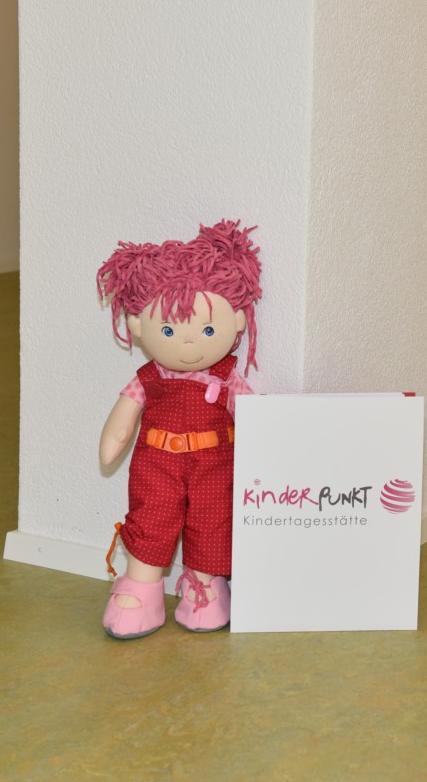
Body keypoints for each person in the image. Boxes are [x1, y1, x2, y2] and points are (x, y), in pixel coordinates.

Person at [95, 220, 262, 638]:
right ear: (138, 326)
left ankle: (204, 586)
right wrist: (113, 442)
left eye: (206, 330)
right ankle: (142, 586)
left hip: (215, 466)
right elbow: (123, 421)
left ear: (236, 322)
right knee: (151, 516)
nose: (188, 344)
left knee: (213, 520)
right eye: (169, 331)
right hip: (157, 464)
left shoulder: (228, 380)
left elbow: (257, 420)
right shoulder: (148, 378)